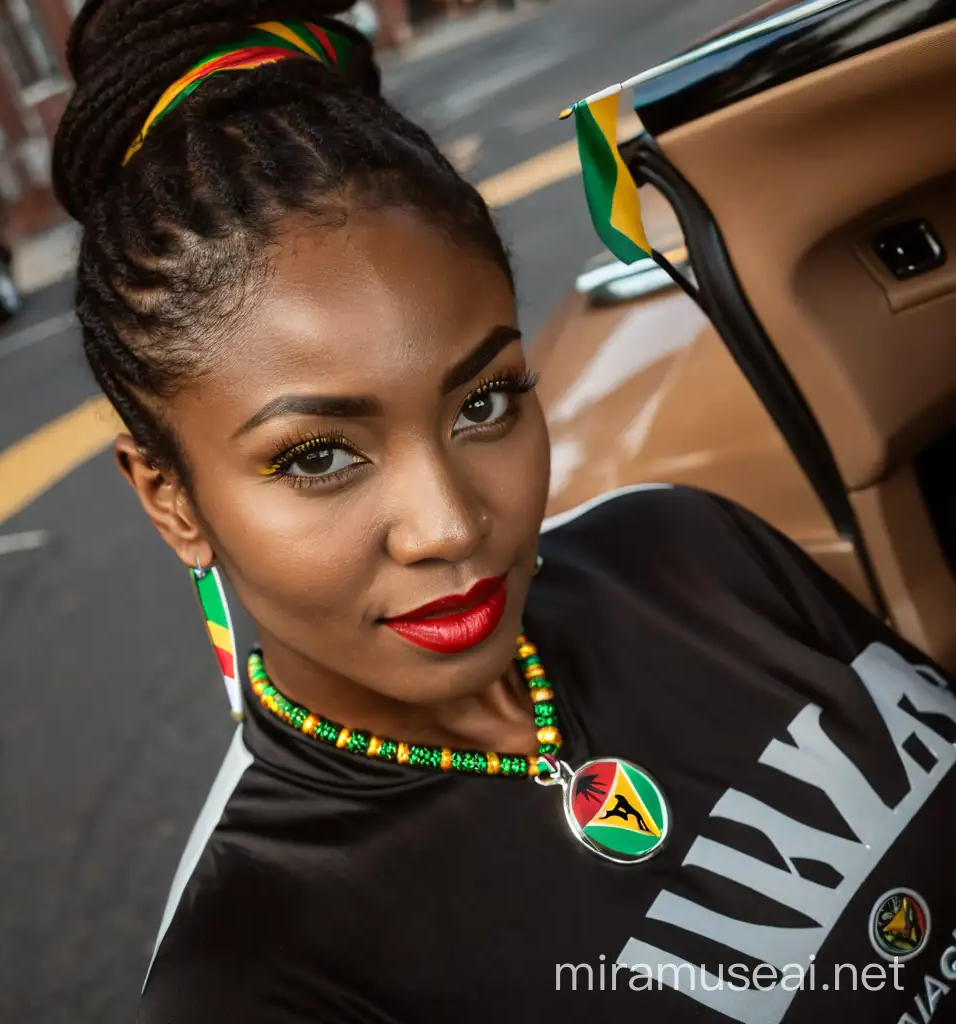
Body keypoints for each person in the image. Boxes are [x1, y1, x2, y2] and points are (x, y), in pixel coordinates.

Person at [52, 2, 956, 1021]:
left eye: (482, 402)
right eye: (317, 456)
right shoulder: (259, 974)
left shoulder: (685, 547)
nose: (447, 525)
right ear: (169, 496)